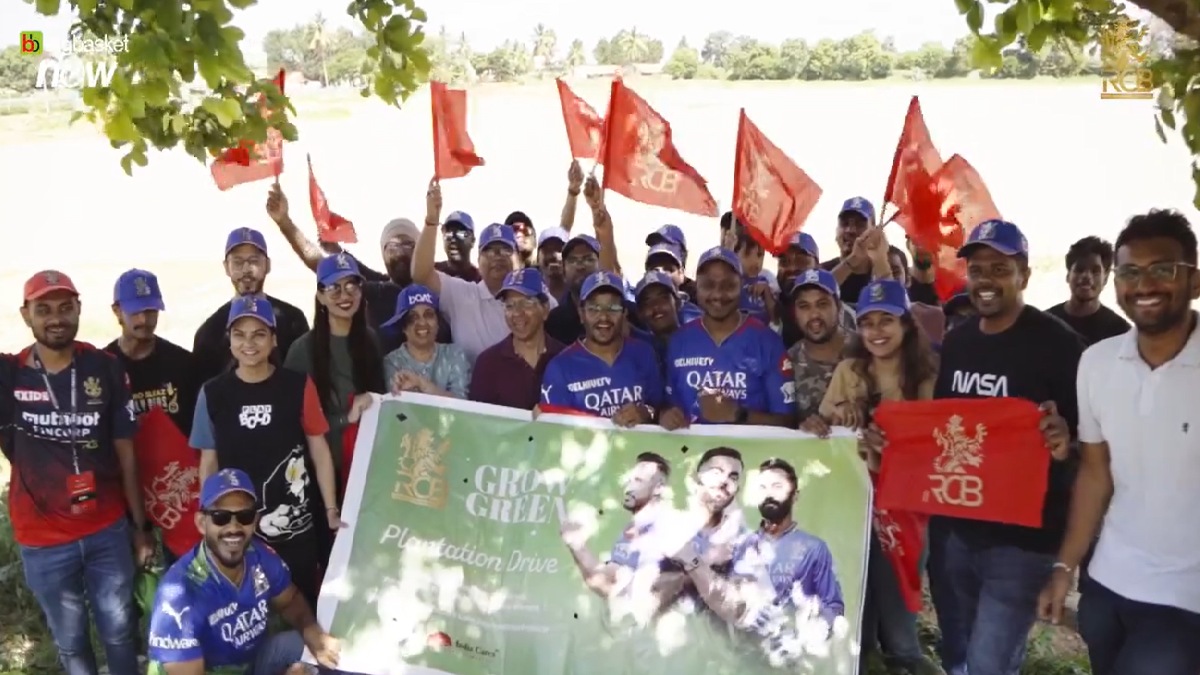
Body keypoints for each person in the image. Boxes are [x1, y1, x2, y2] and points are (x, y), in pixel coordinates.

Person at [864, 219, 1081, 675]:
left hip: (1022, 541)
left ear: (1024, 275)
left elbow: (1090, 445)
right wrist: (891, 443)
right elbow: (942, 430)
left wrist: (1065, 443)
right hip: (956, 532)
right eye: (977, 269)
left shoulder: (1060, 345)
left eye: (1000, 269)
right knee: (957, 653)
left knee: (988, 662)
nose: (986, 280)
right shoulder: (959, 342)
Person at [1039, 210, 1200, 675]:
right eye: (1130, 272)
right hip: (1106, 586)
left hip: (1184, 601)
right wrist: (1064, 568)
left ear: (1194, 281)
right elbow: (1095, 473)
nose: (1144, 284)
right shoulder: (1097, 362)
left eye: (1162, 269)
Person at [0, 270, 151, 675]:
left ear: (79, 310)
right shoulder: (9, 374)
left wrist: (139, 528)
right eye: (44, 309)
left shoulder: (104, 367)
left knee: (120, 632)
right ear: (25, 315)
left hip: (106, 530)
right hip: (42, 539)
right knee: (71, 643)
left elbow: (126, 453)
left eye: (65, 308)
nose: (56, 318)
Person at [190, 295, 354, 609]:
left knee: (303, 604)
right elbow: (208, 461)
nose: (249, 343)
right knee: (246, 609)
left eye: (259, 334)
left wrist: (331, 508)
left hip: (295, 527)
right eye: (240, 335)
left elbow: (319, 449)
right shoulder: (212, 393)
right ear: (229, 340)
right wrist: (210, 517)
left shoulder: (297, 385)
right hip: (238, 526)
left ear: (274, 339)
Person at [812, 279, 940, 675]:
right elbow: (823, 431)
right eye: (867, 322)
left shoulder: (927, 377)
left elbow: (936, 445)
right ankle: (863, 658)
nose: (876, 331)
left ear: (906, 325)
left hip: (906, 504)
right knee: (857, 599)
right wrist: (838, 421)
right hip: (854, 500)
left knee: (900, 601)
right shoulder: (849, 371)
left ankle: (904, 657)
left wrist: (890, 444)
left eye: (887, 320)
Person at [146, 468, 342, 675]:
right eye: (221, 517)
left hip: (251, 662)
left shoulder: (259, 555)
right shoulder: (180, 595)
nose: (234, 527)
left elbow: (290, 600)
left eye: (244, 516)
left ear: (255, 522)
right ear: (202, 523)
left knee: (325, 647)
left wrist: (310, 630)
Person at [264, 184, 454, 349]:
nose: (401, 253)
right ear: (383, 253)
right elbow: (320, 264)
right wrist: (285, 223)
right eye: (392, 247)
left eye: (408, 244)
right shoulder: (377, 290)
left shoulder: (442, 286)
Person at [675, 459, 844, 641]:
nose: (769, 493)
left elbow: (833, 607)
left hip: (787, 649)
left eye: (777, 486)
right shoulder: (740, 545)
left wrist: (814, 631)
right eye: (762, 487)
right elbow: (713, 598)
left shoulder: (814, 548)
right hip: (738, 649)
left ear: (795, 495)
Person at [104, 268, 199, 566]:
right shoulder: (103, 368)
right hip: (123, 494)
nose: (144, 320)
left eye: (151, 310)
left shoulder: (183, 363)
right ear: (117, 311)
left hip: (178, 496)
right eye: (135, 312)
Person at [412, 180, 556, 363]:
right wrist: (431, 221)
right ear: (478, 260)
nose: (497, 257)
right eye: (489, 251)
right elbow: (421, 275)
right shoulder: (460, 294)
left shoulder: (537, 296)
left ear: (519, 260)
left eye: (505, 250)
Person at [284, 253, 386, 498]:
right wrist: (345, 418)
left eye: (351, 286)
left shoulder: (370, 340)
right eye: (334, 288)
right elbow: (292, 420)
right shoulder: (302, 350)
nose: (344, 296)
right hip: (322, 474)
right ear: (320, 295)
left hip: (368, 468)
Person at [660, 247, 794, 429]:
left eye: (728, 286)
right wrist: (665, 416)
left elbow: (788, 423)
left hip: (749, 447)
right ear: (696, 287)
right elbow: (668, 406)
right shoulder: (679, 341)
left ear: (742, 286)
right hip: (690, 447)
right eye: (708, 285)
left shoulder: (768, 342)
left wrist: (737, 414)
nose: (718, 295)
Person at [560, 452, 678, 623]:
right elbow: (603, 582)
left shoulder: (668, 528)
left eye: (638, 481)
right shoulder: (630, 531)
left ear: (658, 488)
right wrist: (577, 546)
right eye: (629, 481)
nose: (628, 488)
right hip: (626, 630)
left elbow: (653, 590)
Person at [540, 270, 664, 425]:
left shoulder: (644, 354)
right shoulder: (560, 368)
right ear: (581, 314)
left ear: (624, 313)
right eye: (594, 308)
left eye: (613, 308)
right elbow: (552, 429)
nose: (604, 317)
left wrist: (646, 412)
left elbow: (660, 408)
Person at [192, 228, 310, 386]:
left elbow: (305, 381)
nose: (246, 269)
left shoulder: (292, 320)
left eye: (254, 261)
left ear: (268, 265)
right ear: (226, 267)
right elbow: (204, 391)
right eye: (238, 262)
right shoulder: (210, 332)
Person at [469, 268, 564, 410]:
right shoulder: (487, 364)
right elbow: (477, 419)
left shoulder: (566, 359)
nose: (517, 313)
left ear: (545, 309)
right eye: (510, 306)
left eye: (527, 303)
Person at [382, 285, 472, 399]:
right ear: (403, 327)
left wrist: (422, 385)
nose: (422, 322)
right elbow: (398, 404)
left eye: (429, 315)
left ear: (438, 322)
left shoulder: (455, 354)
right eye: (413, 317)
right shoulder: (392, 362)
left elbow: (461, 404)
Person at [789, 269, 852, 425]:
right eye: (804, 306)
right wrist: (802, 428)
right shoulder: (787, 364)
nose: (814, 315)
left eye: (822, 304)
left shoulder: (866, 350)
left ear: (838, 306)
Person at [1046, 236, 1130, 345]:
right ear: (1068, 276)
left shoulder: (1120, 332)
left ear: (1105, 279)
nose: (1086, 276)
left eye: (1095, 271)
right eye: (1079, 269)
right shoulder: (1046, 323)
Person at [545, 233, 604, 345]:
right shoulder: (553, 321)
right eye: (572, 260)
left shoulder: (624, 313)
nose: (580, 266)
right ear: (563, 271)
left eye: (588, 259)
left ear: (601, 266)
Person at [822, 197, 881, 303]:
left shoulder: (882, 273)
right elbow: (817, 294)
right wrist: (852, 260)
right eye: (845, 224)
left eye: (860, 225)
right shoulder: (822, 271)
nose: (850, 230)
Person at [645, 223, 697, 298]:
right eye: (654, 270)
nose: (661, 274)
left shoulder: (698, 296)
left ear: (681, 272)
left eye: (668, 270)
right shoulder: (641, 297)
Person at [437, 210, 482, 282]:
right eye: (448, 234)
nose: (453, 240)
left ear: (472, 240)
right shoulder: (432, 273)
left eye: (461, 234)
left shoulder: (480, 281)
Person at [537, 226, 570, 300]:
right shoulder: (529, 292)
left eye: (559, 249)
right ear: (537, 257)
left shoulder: (579, 290)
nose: (552, 255)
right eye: (547, 250)